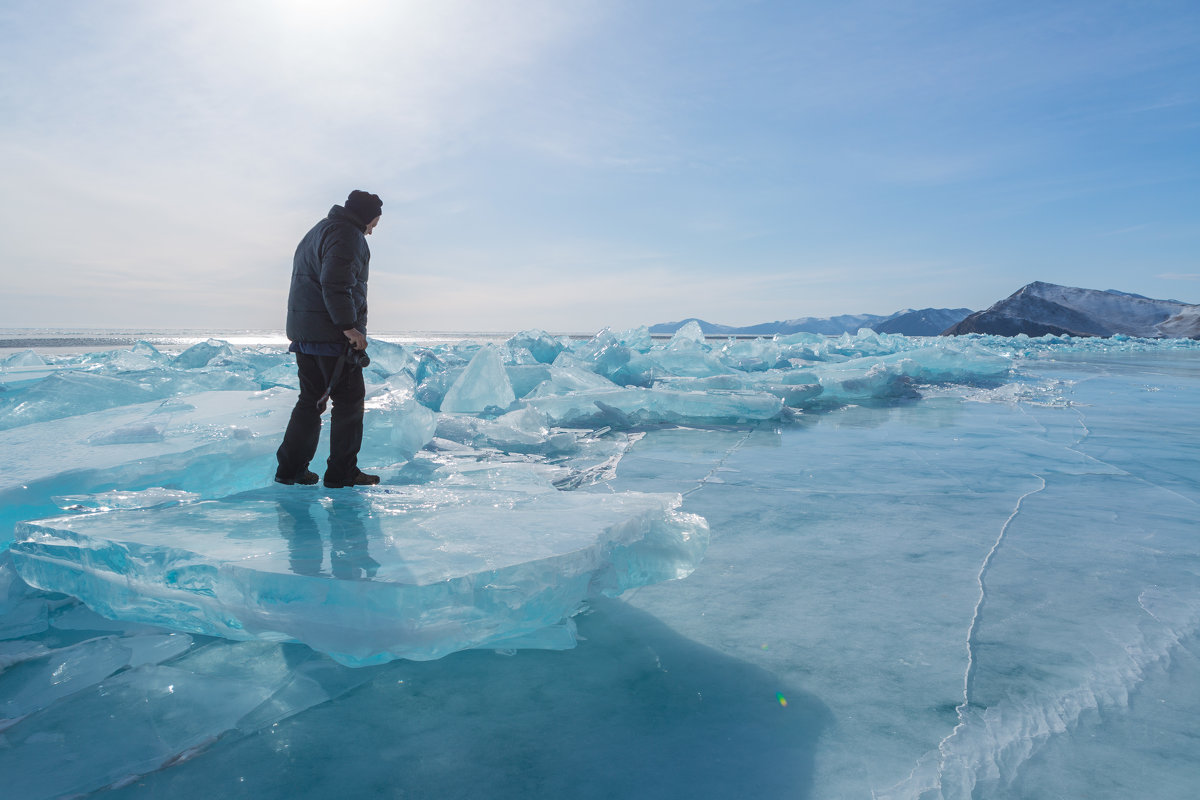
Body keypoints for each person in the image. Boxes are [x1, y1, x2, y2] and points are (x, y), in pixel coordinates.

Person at [275, 190, 384, 489]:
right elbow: (336, 282)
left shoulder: (318, 230)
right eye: (373, 223)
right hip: (331, 336)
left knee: (309, 402)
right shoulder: (347, 234)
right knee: (350, 403)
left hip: (306, 333)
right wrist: (349, 327)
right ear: (364, 216)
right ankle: (342, 472)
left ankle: (291, 469)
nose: (372, 230)